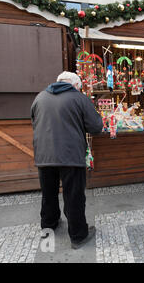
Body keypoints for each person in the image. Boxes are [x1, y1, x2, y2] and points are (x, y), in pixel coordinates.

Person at [31, 71, 103, 249]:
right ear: (76, 85)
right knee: (74, 196)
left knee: (48, 193)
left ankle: (49, 224)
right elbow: (96, 127)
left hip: (44, 155)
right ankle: (78, 235)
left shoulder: (39, 97)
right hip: (71, 156)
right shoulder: (79, 98)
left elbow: (34, 121)